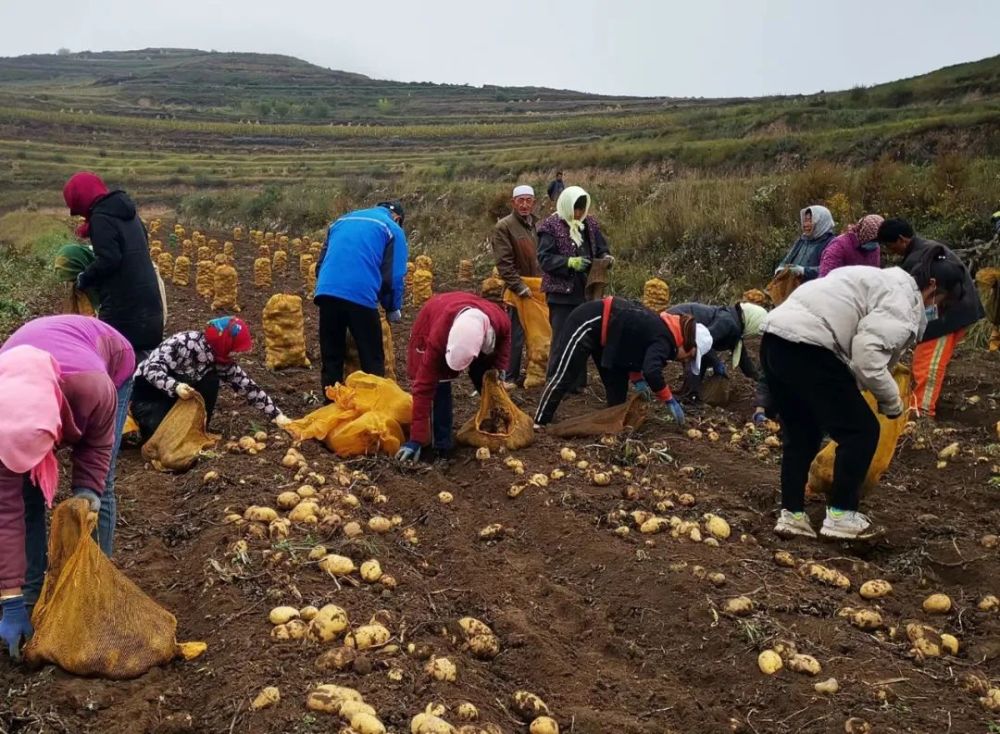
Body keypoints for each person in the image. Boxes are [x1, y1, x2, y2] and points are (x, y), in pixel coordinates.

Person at [760, 256, 967, 541]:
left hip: (775, 340)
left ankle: (792, 515)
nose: (936, 311)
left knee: (803, 434)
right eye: (940, 303)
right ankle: (842, 516)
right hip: (810, 346)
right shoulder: (903, 302)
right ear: (932, 287)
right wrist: (892, 402)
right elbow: (867, 357)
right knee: (862, 431)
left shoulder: (879, 278)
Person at [0, 316, 136, 657]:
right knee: (24, 497)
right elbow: (6, 516)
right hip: (27, 371)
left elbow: (96, 451)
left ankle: (92, 595)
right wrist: (11, 600)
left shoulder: (94, 390)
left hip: (105, 359)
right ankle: (30, 600)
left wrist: (86, 492)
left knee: (100, 490)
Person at [63, 172, 164, 555]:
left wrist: (85, 276)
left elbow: (110, 258)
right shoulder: (124, 213)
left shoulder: (105, 218)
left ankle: (103, 450)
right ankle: (118, 429)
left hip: (125, 320)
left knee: (113, 398)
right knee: (123, 386)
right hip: (147, 315)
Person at [534, 297, 706, 427]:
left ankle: (610, 424)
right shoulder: (666, 339)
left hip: (611, 339)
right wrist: (669, 399)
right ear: (689, 342)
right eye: (691, 356)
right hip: (589, 322)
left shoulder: (664, 335)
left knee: (617, 391)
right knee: (566, 374)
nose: (686, 360)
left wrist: (637, 379)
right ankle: (540, 422)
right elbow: (652, 371)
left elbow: (633, 350)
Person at [877, 218, 984, 418]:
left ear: (902, 239)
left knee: (927, 364)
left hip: (947, 317)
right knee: (923, 361)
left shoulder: (920, 258)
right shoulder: (922, 251)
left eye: (889, 246)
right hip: (944, 313)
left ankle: (922, 415)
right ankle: (920, 408)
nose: (889, 251)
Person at [131, 317, 290, 441]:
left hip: (177, 400)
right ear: (224, 341)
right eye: (234, 348)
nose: (234, 354)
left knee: (210, 381)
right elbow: (151, 369)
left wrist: (276, 415)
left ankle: (198, 430)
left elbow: (247, 386)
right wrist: (175, 386)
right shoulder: (183, 342)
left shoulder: (221, 360)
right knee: (158, 435)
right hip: (149, 396)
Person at [396, 293, 511, 464]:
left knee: (488, 376)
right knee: (439, 387)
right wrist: (416, 439)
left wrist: (500, 368)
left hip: (468, 317)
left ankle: (495, 416)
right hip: (434, 315)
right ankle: (441, 446)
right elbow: (423, 387)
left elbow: (504, 343)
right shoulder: (437, 339)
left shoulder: (499, 319)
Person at [314, 200, 409, 391]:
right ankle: (373, 407)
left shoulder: (342, 221)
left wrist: (331, 287)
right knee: (372, 357)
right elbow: (393, 276)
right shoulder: (392, 228)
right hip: (361, 295)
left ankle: (330, 404)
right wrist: (391, 307)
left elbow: (320, 265)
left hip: (326, 292)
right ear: (397, 218)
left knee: (332, 355)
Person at [537, 186, 612, 391]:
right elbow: (544, 258)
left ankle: (576, 383)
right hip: (561, 294)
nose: (578, 214)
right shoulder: (550, 226)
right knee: (562, 338)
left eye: (581, 210)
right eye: (575, 210)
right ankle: (556, 382)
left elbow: (602, 247)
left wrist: (605, 258)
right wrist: (569, 262)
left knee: (582, 338)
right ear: (567, 206)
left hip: (585, 291)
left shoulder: (589, 223)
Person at [490, 184, 540, 386]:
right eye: (521, 200)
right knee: (515, 334)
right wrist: (518, 286)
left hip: (538, 287)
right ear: (513, 202)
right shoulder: (504, 226)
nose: (525, 204)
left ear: (534, 203)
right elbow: (504, 263)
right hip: (518, 289)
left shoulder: (537, 225)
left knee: (537, 332)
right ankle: (509, 376)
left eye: (529, 200)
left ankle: (533, 372)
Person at [667, 302, 769, 396]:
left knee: (702, 357)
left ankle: (690, 391)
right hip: (678, 320)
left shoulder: (734, 324)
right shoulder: (727, 322)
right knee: (697, 355)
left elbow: (744, 360)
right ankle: (690, 394)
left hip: (685, 323)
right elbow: (703, 341)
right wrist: (716, 363)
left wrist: (760, 379)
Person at [775, 205, 836, 281]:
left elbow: (828, 270)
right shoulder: (802, 240)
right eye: (805, 220)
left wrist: (803, 271)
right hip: (793, 286)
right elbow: (787, 259)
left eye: (810, 221)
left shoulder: (832, 243)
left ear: (821, 222)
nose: (805, 225)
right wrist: (780, 268)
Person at [818, 214, 884, 277]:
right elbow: (826, 274)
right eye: (873, 240)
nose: (875, 243)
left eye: (878, 241)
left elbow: (874, 273)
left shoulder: (875, 248)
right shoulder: (839, 246)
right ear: (865, 233)